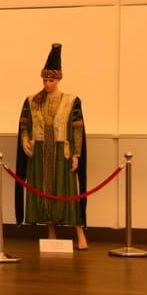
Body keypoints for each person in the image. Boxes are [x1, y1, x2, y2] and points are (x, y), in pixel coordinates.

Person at [15, 43, 88, 249]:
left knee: (68, 192)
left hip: (61, 152)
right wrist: (25, 139)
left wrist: (76, 154)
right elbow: (24, 123)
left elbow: (77, 129)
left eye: (51, 80)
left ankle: (79, 233)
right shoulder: (32, 100)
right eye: (45, 80)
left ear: (59, 79)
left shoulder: (71, 101)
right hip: (39, 152)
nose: (48, 84)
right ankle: (50, 231)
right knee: (42, 191)